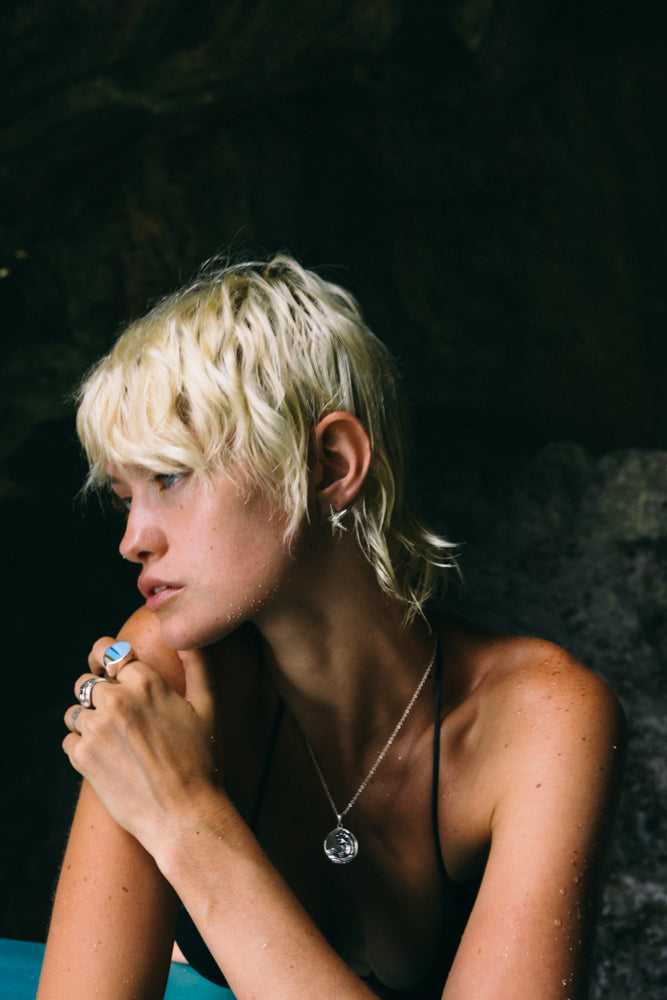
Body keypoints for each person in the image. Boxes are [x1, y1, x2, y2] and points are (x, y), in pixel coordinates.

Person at [37, 255, 625, 1000]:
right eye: (125, 495)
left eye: (172, 476)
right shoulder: (167, 666)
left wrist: (185, 819)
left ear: (329, 464)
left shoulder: (542, 719)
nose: (134, 539)